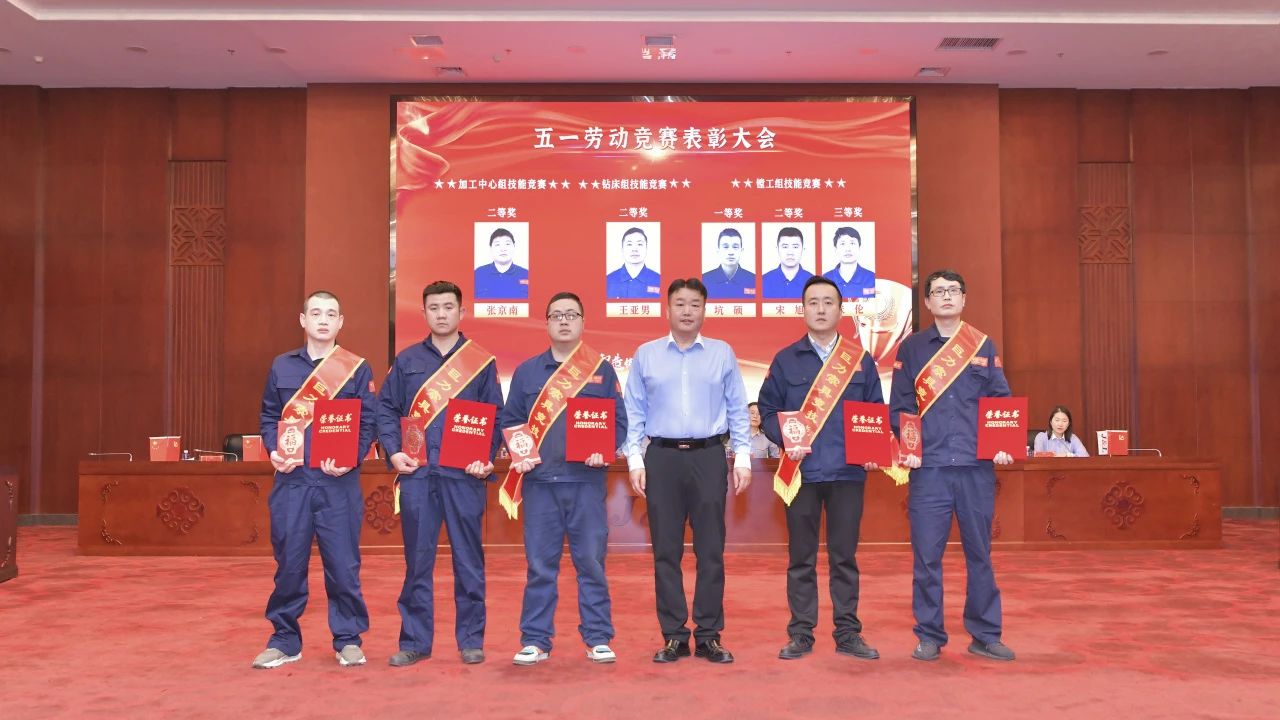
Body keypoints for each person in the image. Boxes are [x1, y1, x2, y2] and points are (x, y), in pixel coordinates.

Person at [890, 269, 1016, 663]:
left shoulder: (982, 344)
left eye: (953, 290)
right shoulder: (912, 348)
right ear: (927, 302)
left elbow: (999, 401)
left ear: (964, 299)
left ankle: (985, 634)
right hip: (929, 470)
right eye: (938, 291)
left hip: (976, 468)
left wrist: (1002, 444)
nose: (946, 296)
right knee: (927, 558)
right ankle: (929, 635)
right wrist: (908, 446)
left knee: (980, 554)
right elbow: (901, 406)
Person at [624, 278, 752, 664]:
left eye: (694, 304)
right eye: (679, 304)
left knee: (711, 550)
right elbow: (634, 411)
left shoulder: (722, 353)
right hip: (661, 458)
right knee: (666, 551)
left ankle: (710, 634)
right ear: (667, 309)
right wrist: (635, 460)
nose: (686, 311)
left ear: (704, 310)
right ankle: (674, 636)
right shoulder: (646, 354)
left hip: (708, 456)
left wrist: (742, 457)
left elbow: (737, 408)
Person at [377, 280, 504, 666]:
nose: (442, 314)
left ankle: (471, 640)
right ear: (424, 313)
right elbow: (386, 408)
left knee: (468, 560)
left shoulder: (480, 362)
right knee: (417, 562)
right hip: (418, 475)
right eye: (434, 308)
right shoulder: (407, 361)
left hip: (464, 476)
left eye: (449, 307)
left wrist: (485, 457)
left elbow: (496, 417)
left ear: (461, 312)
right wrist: (394, 452)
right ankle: (414, 641)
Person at [757, 276, 883, 662]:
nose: (821, 309)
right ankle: (801, 633)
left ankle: (848, 633)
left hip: (847, 472)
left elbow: (875, 412)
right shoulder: (785, 359)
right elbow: (767, 411)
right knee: (801, 558)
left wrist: (874, 448)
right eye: (813, 302)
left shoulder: (860, 360)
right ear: (803, 310)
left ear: (841, 310)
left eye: (829, 302)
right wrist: (787, 437)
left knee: (844, 557)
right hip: (803, 474)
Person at [498, 291, 628, 666]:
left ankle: (598, 637)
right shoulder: (527, 372)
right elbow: (511, 421)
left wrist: (604, 449)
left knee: (591, 563)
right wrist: (522, 454)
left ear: (583, 322)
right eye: (557, 315)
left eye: (572, 314)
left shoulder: (601, 370)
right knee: (540, 567)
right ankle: (536, 640)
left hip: (586, 483)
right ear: (547, 323)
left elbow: (618, 423)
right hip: (540, 484)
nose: (564, 321)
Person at [252, 290, 377, 670]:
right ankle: (284, 639)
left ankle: (348, 639)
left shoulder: (356, 369)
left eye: (331, 314)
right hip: (292, 482)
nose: (323, 320)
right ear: (303, 320)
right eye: (316, 313)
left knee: (343, 566)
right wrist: (274, 449)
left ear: (340, 322)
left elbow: (368, 423)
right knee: (289, 564)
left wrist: (352, 458)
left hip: (338, 484)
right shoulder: (281, 366)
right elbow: (269, 416)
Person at [605, 226, 661, 299]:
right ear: (622, 249)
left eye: (639, 244)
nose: (634, 249)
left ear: (646, 248)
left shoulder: (659, 280)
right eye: (629, 244)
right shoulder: (608, 281)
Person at [474, 227, 530, 299]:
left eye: (507, 244)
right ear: (491, 248)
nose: (503, 249)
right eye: (497, 244)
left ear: (514, 246)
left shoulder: (527, 274)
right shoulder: (478, 274)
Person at [822, 226, 875, 300]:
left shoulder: (872, 278)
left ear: (859, 248)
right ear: (836, 249)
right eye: (842, 244)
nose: (848, 249)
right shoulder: (825, 279)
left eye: (852, 243)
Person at [702, 227, 756, 299]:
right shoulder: (704, 280)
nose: (730, 252)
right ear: (718, 250)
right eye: (725, 247)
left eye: (735, 247)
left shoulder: (754, 280)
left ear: (741, 250)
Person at [761, 226, 814, 299]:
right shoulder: (763, 281)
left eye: (795, 247)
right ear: (777, 249)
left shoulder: (813, 282)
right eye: (785, 247)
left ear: (803, 249)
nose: (790, 253)